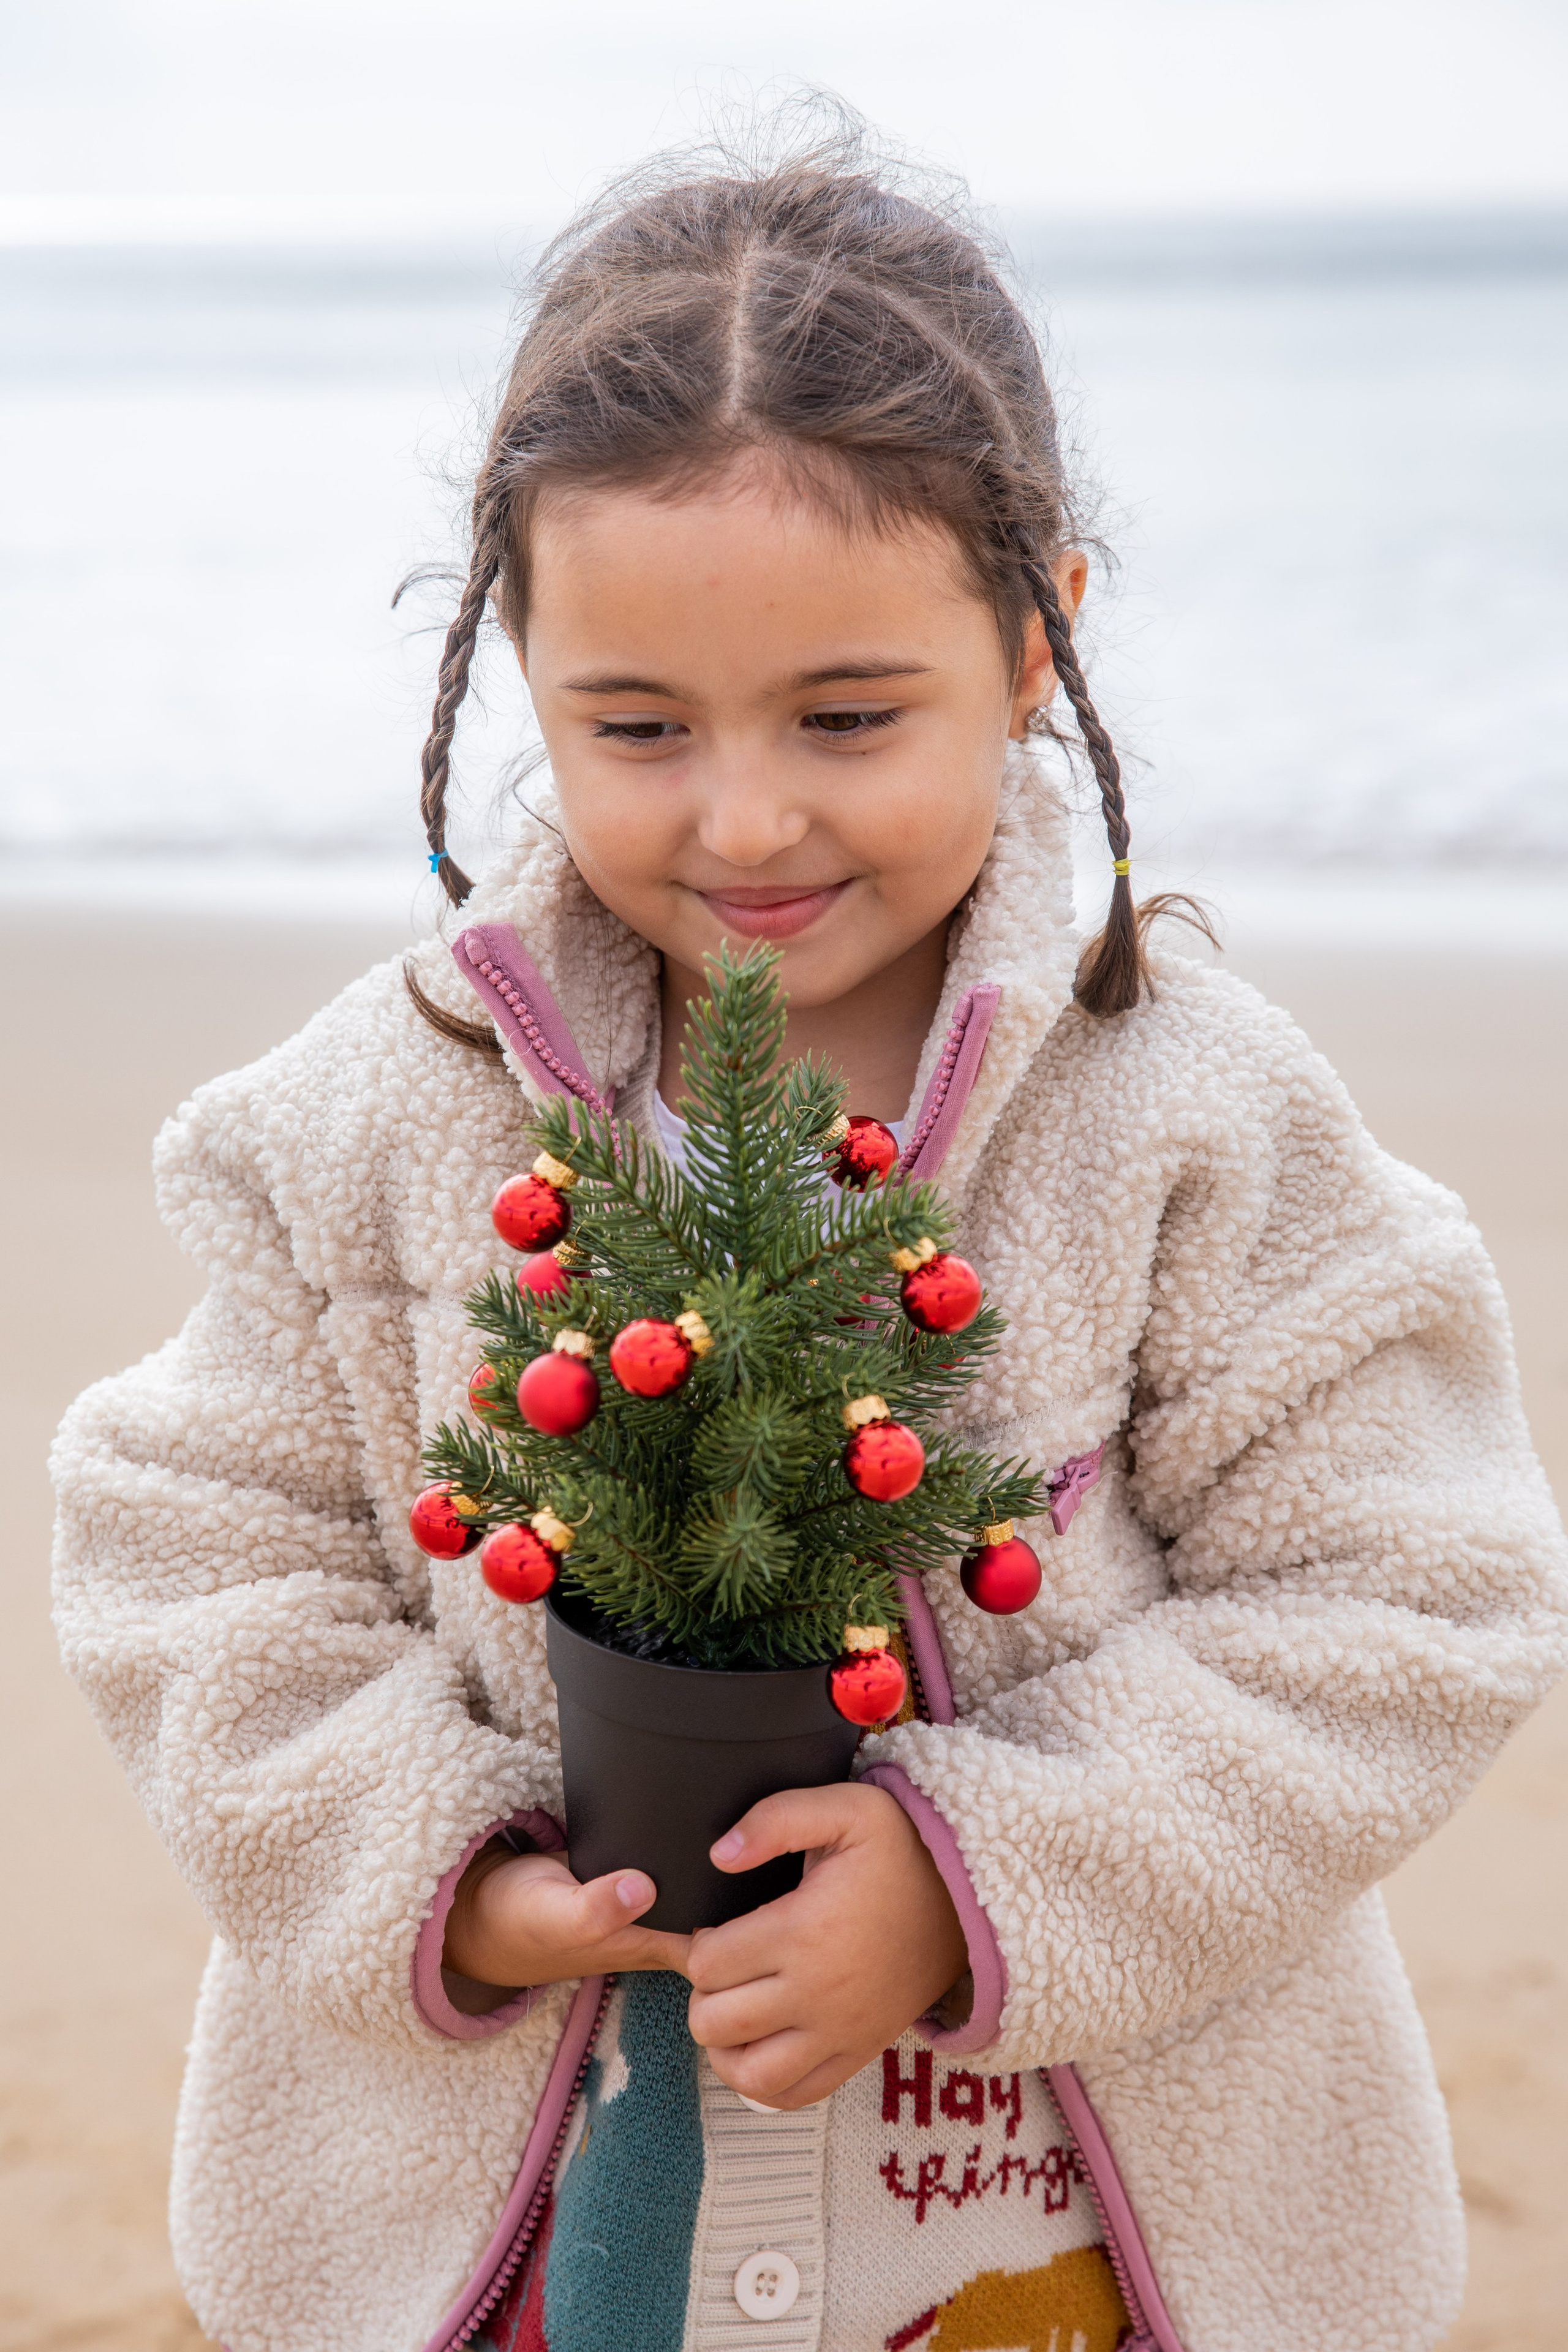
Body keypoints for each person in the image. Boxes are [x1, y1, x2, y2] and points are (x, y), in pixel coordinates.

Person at [51, 116, 1567, 2352]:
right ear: (520, 674)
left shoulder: (1197, 1118)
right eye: (637, 727)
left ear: (1036, 631)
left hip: (1046, 2243)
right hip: (527, 2243)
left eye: (849, 717)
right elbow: (191, 1542)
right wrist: (444, 1871)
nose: (745, 817)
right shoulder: (371, 1122)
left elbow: (1414, 1586)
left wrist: (982, 1880)